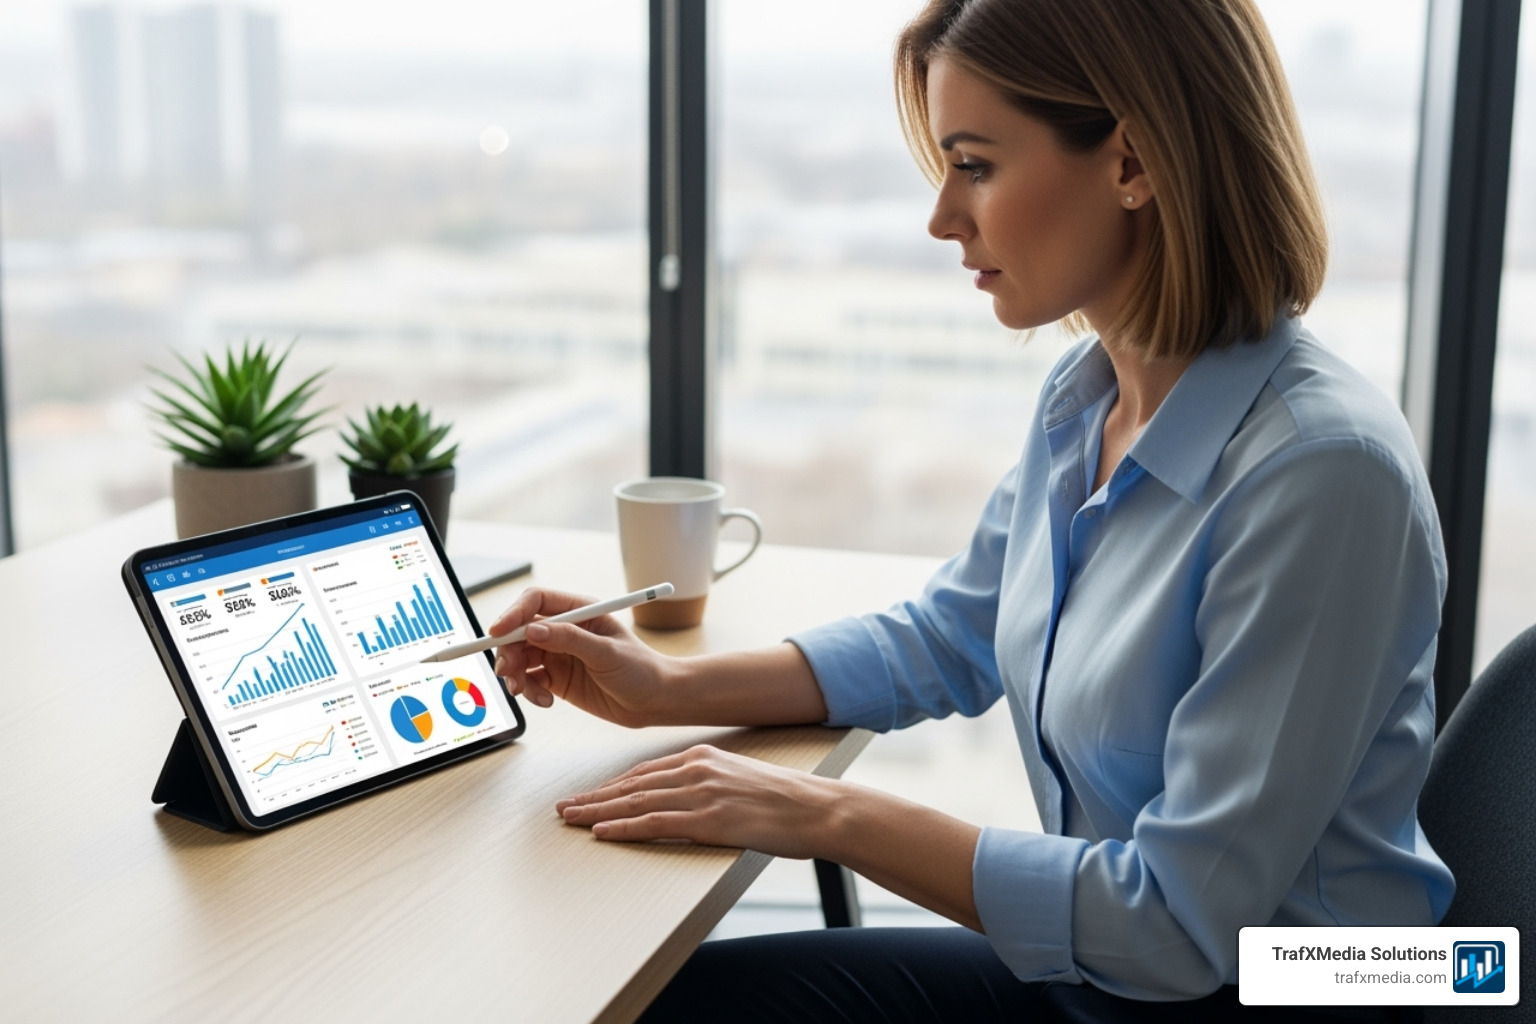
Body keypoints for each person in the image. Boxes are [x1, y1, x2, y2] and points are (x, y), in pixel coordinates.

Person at [491, 0, 1453, 1020]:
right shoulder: (1088, 399)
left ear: (1133, 164)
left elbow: (1175, 928)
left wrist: (822, 812)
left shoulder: (1321, 474)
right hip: (1121, 972)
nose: (942, 216)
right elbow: (951, 634)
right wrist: (662, 688)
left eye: (976, 166)